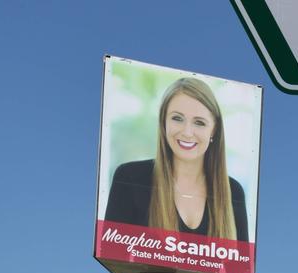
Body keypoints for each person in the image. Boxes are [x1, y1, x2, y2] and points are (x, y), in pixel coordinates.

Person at [104, 76, 249, 242]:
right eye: (177, 118)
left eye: (199, 123)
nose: (187, 132)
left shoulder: (234, 192)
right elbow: (111, 259)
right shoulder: (129, 178)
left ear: (214, 130)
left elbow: (239, 268)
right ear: (163, 122)